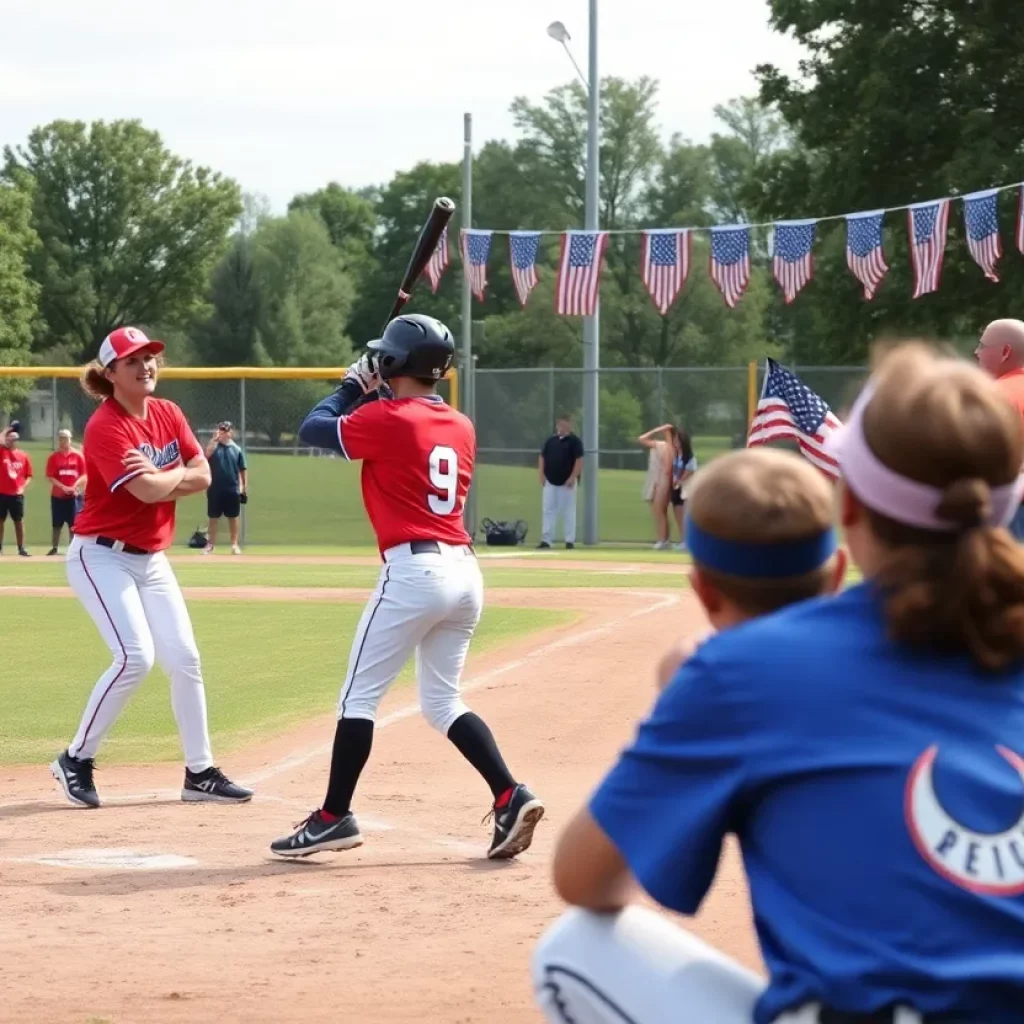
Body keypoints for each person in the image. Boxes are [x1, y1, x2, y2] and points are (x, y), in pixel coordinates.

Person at [534, 342, 1024, 1024]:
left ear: (846, 505)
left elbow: (583, 880)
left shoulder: (746, 670)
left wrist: (692, 699)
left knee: (571, 950)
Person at [271, 313, 543, 860]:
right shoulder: (461, 425)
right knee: (442, 700)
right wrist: (378, 386)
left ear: (395, 362)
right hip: (465, 573)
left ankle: (332, 817)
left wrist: (353, 386)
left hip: (414, 571)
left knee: (358, 699)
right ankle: (510, 794)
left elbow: (312, 427)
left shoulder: (387, 417)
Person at [50, 326, 252, 809]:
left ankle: (199, 772)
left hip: (152, 557)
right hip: (101, 555)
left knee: (185, 658)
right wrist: (177, 476)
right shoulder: (105, 426)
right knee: (134, 657)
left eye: (150, 357)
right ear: (111, 373)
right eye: (133, 359)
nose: (146, 365)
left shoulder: (168, 412)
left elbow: (202, 475)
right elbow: (144, 492)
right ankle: (75, 759)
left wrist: (167, 476)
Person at [977, 317, 1024, 540]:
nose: (977, 352)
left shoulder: (993, 395)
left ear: (1005, 351)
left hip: (1011, 509)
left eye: (982, 346)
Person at [538, 413, 583, 550]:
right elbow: (542, 457)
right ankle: (546, 539)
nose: (561, 427)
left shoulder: (575, 441)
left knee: (568, 510)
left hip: (567, 482)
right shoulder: (551, 441)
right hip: (550, 480)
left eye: (564, 424)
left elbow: (579, 460)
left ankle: (569, 540)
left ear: (569, 425)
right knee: (548, 510)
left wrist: (573, 477)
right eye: (559, 424)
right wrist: (541, 474)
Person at [203, 420, 247, 555]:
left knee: (233, 518)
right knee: (213, 518)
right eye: (221, 430)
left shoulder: (237, 449)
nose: (223, 433)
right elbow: (206, 455)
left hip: (232, 488)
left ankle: (234, 545)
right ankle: (210, 545)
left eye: (225, 431)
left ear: (230, 433)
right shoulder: (214, 446)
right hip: (215, 488)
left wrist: (243, 487)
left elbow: (242, 469)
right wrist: (214, 440)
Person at [45, 428, 87, 555]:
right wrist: (62, 487)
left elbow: (84, 475)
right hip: (58, 495)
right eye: (61, 438)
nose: (64, 441)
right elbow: (50, 476)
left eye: (66, 438)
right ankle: (54, 547)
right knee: (56, 523)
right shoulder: (54, 457)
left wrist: (74, 486)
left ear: (70, 439)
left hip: (74, 495)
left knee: (73, 523)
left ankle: (73, 548)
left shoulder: (78, 456)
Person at [637, 424, 677, 549]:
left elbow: (667, 468)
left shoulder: (672, 448)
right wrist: (657, 429)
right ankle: (664, 540)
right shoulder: (661, 445)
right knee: (659, 511)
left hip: (663, 481)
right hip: (656, 480)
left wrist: (660, 485)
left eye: (668, 433)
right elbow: (642, 439)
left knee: (659, 511)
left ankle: (662, 540)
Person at [0, 421, 33, 556]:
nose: (11, 441)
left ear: (17, 440)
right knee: (0, 521)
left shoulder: (23, 455)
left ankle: (21, 548)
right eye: (9, 439)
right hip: (2, 492)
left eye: (14, 439)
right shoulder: (2, 452)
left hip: (17, 494)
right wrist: (8, 429)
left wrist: (22, 487)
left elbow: (29, 475)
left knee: (18, 521)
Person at [669, 428, 697, 551]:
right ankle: (682, 540)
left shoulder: (689, 457)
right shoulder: (676, 455)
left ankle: (688, 542)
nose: (675, 442)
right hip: (676, 487)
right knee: (678, 514)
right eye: (674, 439)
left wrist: (679, 480)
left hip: (686, 488)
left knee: (685, 515)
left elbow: (690, 471)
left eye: (677, 440)